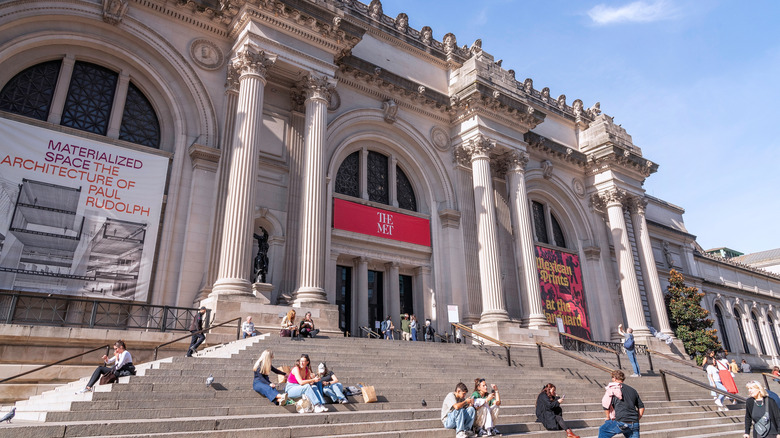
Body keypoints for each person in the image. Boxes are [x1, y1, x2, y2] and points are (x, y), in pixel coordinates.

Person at [598, 370, 644, 438]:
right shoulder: (633, 390)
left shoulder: (612, 388)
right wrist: (637, 418)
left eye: (612, 378)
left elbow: (605, 404)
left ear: (615, 378)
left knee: (603, 430)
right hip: (634, 423)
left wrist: (607, 417)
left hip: (621, 421)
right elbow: (641, 407)